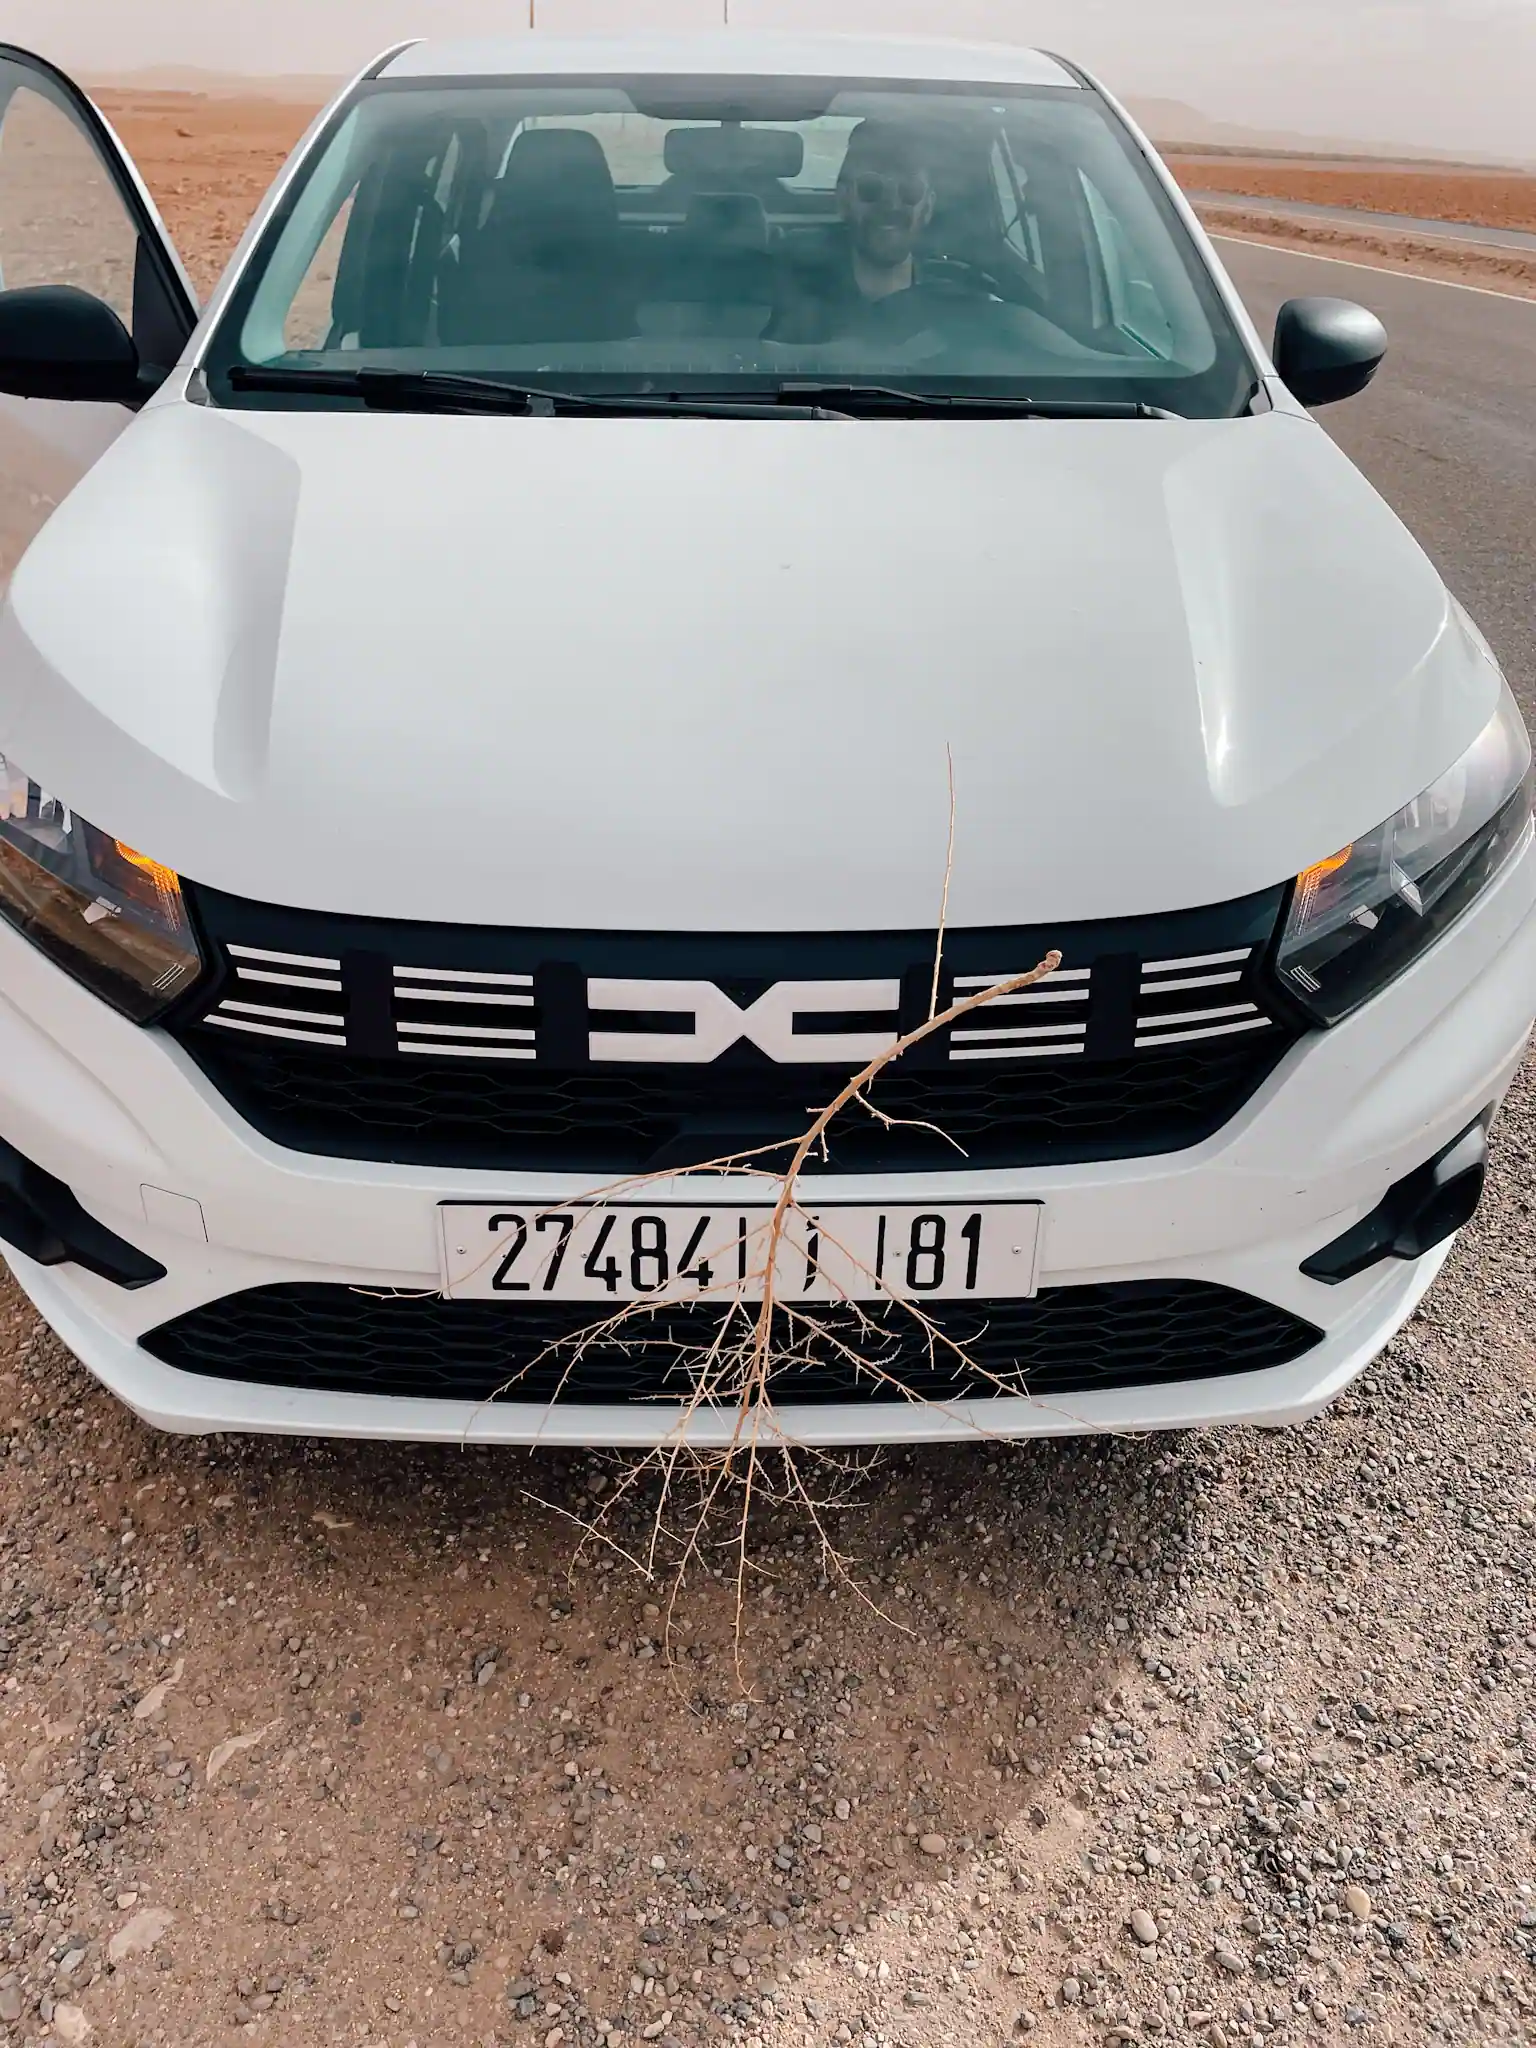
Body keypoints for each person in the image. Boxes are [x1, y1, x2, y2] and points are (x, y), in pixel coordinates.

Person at [768, 120, 953, 345]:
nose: (891, 204)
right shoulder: (788, 299)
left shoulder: (957, 304)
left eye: (910, 190)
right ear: (843, 200)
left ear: (928, 207)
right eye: (871, 188)